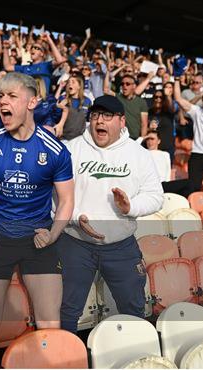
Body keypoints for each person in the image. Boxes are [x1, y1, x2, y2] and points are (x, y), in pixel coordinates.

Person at [0, 72, 74, 357]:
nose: (3, 103)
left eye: (12, 96)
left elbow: (66, 200)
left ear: (32, 101)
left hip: (38, 239)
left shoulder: (56, 150)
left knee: (50, 325)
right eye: (0, 96)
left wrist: (53, 234)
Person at [60, 95, 164, 333]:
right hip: (76, 242)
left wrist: (131, 207)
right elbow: (54, 196)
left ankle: (136, 357)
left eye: (107, 116)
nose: (100, 121)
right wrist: (76, 216)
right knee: (66, 310)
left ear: (122, 121)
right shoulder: (70, 149)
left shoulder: (139, 155)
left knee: (133, 307)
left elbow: (156, 196)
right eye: (95, 115)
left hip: (121, 246)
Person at [104, 73, 149, 140]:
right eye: (122, 84)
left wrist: (141, 140)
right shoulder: (118, 97)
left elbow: (144, 124)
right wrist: (108, 71)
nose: (124, 86)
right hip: (120, 138)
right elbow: (106, 90)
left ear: (134, 86)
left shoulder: (141, 102)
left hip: (135, 139)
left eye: (127, 84)